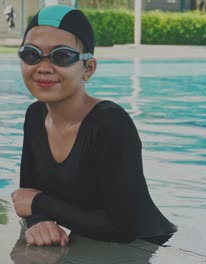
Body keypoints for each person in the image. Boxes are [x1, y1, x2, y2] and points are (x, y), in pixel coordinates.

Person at [10, 4, 177, 247]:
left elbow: (124, 229)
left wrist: (39, 205)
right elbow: (29, 192)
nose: (43, 67)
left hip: (150, 246)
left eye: (62, 56)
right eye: (31, 54)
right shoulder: (35, 115)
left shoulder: (110, 124)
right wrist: (39, 221)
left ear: (88, 68)